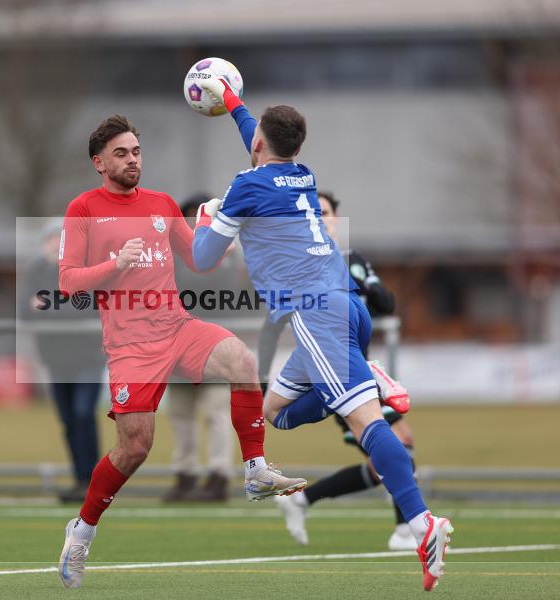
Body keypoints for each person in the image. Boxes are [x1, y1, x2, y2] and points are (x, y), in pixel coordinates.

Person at [191, 79, 453, 591]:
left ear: (260, 146)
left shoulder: (246, 187)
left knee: (368, 424)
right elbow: (260, 138)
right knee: (275, 415)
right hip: (341, 308)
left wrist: (206, 217)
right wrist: (234, 102)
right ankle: (365, 379)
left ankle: (424, 524)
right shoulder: (301, 174)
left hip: (317, 315)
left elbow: (202, 259)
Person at [56, 115, 306, 589]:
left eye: (136, 151)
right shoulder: (83, 208)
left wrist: (221, 232)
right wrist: (115, 263)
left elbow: (198, 260)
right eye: (121, 154)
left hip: (177, 327)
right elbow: (67, 282)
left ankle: (254, 469)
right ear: (99, 162)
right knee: (135, 448)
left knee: (242, 361)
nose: (132, 160)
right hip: (130, 345)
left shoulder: (162, 204)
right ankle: (83, 530)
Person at [262, 192, 418, 550]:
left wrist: (366, 283)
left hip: (355, 368)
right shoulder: (302, 264)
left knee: (389, 456)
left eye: (327, 212)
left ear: (335, 220)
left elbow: (386, 304)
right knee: (396, 446)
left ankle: (303, 499)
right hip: (334, 371)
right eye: (315, 213)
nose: (321, 218)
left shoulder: (352, 261)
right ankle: (405, 530)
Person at [20, 218, 105, 504]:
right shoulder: (36, 271)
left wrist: (48, 305)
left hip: (88, 356)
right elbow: (24, 308)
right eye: (50, 239)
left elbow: (85, 308)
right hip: (55, 359)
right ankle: (81, 480)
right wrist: (56, 304)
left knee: (83, 413)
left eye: (60, 239)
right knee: (68, 420)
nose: (54, 245)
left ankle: (95, 481)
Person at [162, 194, 235, 503]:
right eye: (190, 218)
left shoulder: (227, 255)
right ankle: (185, 475)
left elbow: (211, 283)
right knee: (181, 415)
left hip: (215, 346)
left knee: (217, 413)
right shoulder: (170, 254)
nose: (195, 224)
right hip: (177, 347)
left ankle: (218, 477)